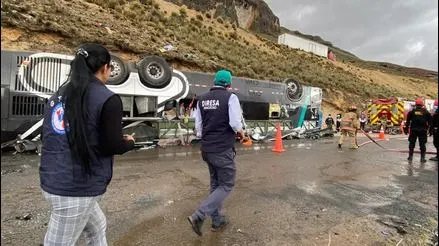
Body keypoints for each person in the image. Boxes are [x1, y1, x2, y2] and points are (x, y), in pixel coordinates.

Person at [39, 43, 135, 245]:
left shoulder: (58, 95)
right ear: (105, 68)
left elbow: (52, 134)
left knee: (97, 227)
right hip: (77, 187)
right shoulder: (108, 98)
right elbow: (112, 145)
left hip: (53, 177)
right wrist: (128, 142)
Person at [188, 69, 244, 236]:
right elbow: (235, 123)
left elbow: (198, 128)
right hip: (222, 149)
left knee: (216, 185)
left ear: (214, 82)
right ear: (229, 84)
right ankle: (199, 215)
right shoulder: (230, 97)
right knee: (226, 185)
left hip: (207, 149)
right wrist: (241, 133)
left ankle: (217, 221)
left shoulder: (202, 99)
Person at [404, 98, 432, 163]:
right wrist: (431, 131)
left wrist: (406, 130)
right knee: (422, 144)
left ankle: (410, 157)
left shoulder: (412, 112)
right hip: (423, 131)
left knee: (411, 144)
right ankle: (422, 158)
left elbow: (407, 122)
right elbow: (430, 122)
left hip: (413, 130)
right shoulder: (426, 112)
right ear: (422, 105)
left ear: (416, 104)